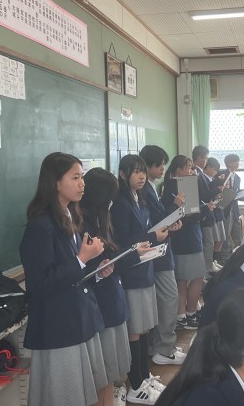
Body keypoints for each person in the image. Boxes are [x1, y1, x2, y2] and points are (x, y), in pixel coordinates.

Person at [19, 152, 108, 406]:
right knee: (65, 398)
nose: (82, 184)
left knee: (85, 394)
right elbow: (39, 285)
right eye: (75, 177)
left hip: (79, 318)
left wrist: (96, 269)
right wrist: (81, 259)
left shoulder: (70, 216)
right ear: (56, 183)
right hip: (58, 327)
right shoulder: (41, 226)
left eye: (82, 177)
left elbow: (72, 272)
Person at [110, 154, 169, 405]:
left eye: (143, 171)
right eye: (135, 172)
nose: (142, 176)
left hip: (145, 268)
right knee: (135, 329)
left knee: (144, 327)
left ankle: (144, 378)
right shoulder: (120, 203)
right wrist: (154, 237)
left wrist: (158, 235)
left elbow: (143, 233)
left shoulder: (140, 199)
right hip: (132, 273)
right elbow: (122, 242)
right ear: (122, 174)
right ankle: (135, 384)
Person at [79, 168, 132, 406]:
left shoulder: (102, 219)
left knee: (110, 371)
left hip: (111, 297)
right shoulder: (83, 225)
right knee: (103, 374)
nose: (112, 203)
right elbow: (86, 268)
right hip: (100, 304)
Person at [139, 145, 186, 366]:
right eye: (158, 165)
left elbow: (159, 221)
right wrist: (174, 207)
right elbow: (154, 223)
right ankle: (164, 349)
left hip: (161, 250)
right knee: (169, 299)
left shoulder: (150, 187)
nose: (162, 169)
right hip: (156, 254)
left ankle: (161, 345)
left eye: (163, 165)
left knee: (165, 300)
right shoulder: (145, 190)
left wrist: (172, 223)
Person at [161, 155, 211, 331]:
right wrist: (204, 210)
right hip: (189, 238)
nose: (191, 171)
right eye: (188, 167)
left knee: (181, 280)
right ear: (178, 170)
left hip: (178, 238)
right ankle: (190, 314)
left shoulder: (168, 185)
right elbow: (191, 216)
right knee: (196, 277)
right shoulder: (185, 185)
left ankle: (181, 315)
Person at [192, 146, 217, 274]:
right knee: (208, 243)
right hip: (202, 212)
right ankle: (207, 269)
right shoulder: (195, 173)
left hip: (204, 211)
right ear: (198, 158)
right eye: (205, 158)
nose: (206, 161)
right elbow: (202, 195)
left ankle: (207, 267)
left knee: (209, 242)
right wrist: (216, 189)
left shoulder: (200, 172)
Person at [203, 157, 226, 271]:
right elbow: (205, 196)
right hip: (210, 213)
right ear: (207, 167)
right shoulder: (203, 179)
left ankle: (213, 261)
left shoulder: (211, 179)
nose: (216, 172)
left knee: (219, 239)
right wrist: (217, 190)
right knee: (210, 242)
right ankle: (209, 265)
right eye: (214, 169)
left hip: (216, 211)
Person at [220, 154, 243, 264]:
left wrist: (242, 196)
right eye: (235, 161)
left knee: (237, 234)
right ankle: (225, 259)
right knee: (226, 235)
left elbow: (236, 192)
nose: (238, 163)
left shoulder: (237, 177)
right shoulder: (222, 174)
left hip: (235, 209)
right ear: (228, 163)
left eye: (238, 161)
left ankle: (239, 257)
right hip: (225, 208)